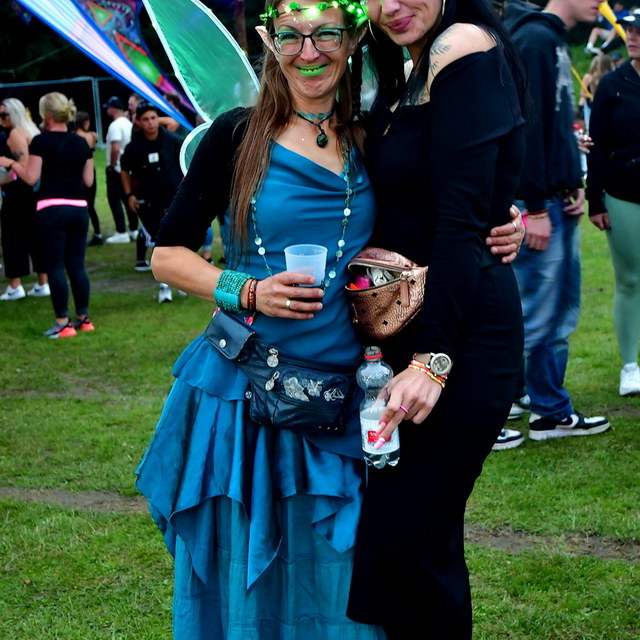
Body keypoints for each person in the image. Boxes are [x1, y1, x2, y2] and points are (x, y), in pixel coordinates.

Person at [135, 0, 523, 636]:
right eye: (291, 36)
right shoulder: (237, 137)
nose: (309, 52)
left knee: (347, 572)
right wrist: (246, 290)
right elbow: (166, 254)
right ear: (270, 41)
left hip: (346, 394)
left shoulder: (371, 138)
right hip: (246, 393)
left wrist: (500, 224)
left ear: (352, 41)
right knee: (248, 567)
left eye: (325, 35)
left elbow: (439, 203)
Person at [344, 0, 526, 636]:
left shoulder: (461, 45)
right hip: (409, 330)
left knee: (408, 542)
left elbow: (458, 221)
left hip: (460, 335)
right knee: (419, 542)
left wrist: (432, 362)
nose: (392, 6)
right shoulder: (404, 69)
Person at [502, 0, 611, 442]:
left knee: (551, 312)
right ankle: (547, 411)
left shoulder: (550, 38)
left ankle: (531, 399)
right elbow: (524, 128)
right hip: (538, 205)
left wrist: (570, 184)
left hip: (554, 198)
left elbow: (555, 123)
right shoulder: (534, 38)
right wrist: (535, 207)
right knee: (540, 317)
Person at [0, 92, 94, 338]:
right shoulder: (81, 142)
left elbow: (31, 178)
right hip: (79, 208)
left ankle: (62, 322)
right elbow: (88, 180)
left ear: (47, 115)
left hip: (51, 208)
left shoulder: (41, 142)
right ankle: (83, 318)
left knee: (55, 266)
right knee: (77, 265)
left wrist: (12, 164)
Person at [587, 8, 640, 396]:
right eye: (630, 30)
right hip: (624, 194)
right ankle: (630, 365)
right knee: (630, 280)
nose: (632, 36)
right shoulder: (612, 84)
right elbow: (597, 146)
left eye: (639, 31)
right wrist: (596, 201)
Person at [120, 102, 183, 300]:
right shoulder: (133, 147)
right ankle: (165, 285)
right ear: (138, 122)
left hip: (174, 198)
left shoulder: (172, 141)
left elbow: (185, 165)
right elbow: (124, 170)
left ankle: (181, 279)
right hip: (148, 201)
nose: (150, 123)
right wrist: (129, 194)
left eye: (154, 118)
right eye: (145, 119)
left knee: (179, 240)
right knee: (159, 241)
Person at [0, 98, 49, 300]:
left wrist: (7, 170)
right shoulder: (31, 131)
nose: (1, 119)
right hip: (34, 194)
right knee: (35, 237)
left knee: (12, 238)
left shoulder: (16, 134)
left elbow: (24, 168)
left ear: (14, 114)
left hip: (19, 193)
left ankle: (15, 285)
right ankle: (42, 283)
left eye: (4, 115)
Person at [103, 96, 135, 244]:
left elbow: (115, 147)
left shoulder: (115, 125)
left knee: (114, 199)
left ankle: (121, 231)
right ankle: (134, 229)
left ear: (113, 109)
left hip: (117, 168)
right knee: (128, 197)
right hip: (129, 168)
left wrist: (111, 165)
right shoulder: (129, 123)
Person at [75, 111, 102, 246]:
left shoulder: (76, 136)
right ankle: (97, 232)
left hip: (80, 172)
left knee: (83, 205)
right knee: (90, 205)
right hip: (92, 170)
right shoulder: (92, 136)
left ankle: (84, 234)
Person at [579, 53, 614, 132]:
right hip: (590, 105)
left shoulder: (609, 78)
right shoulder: (588, 77)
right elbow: (582, 92)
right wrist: (592, 96)